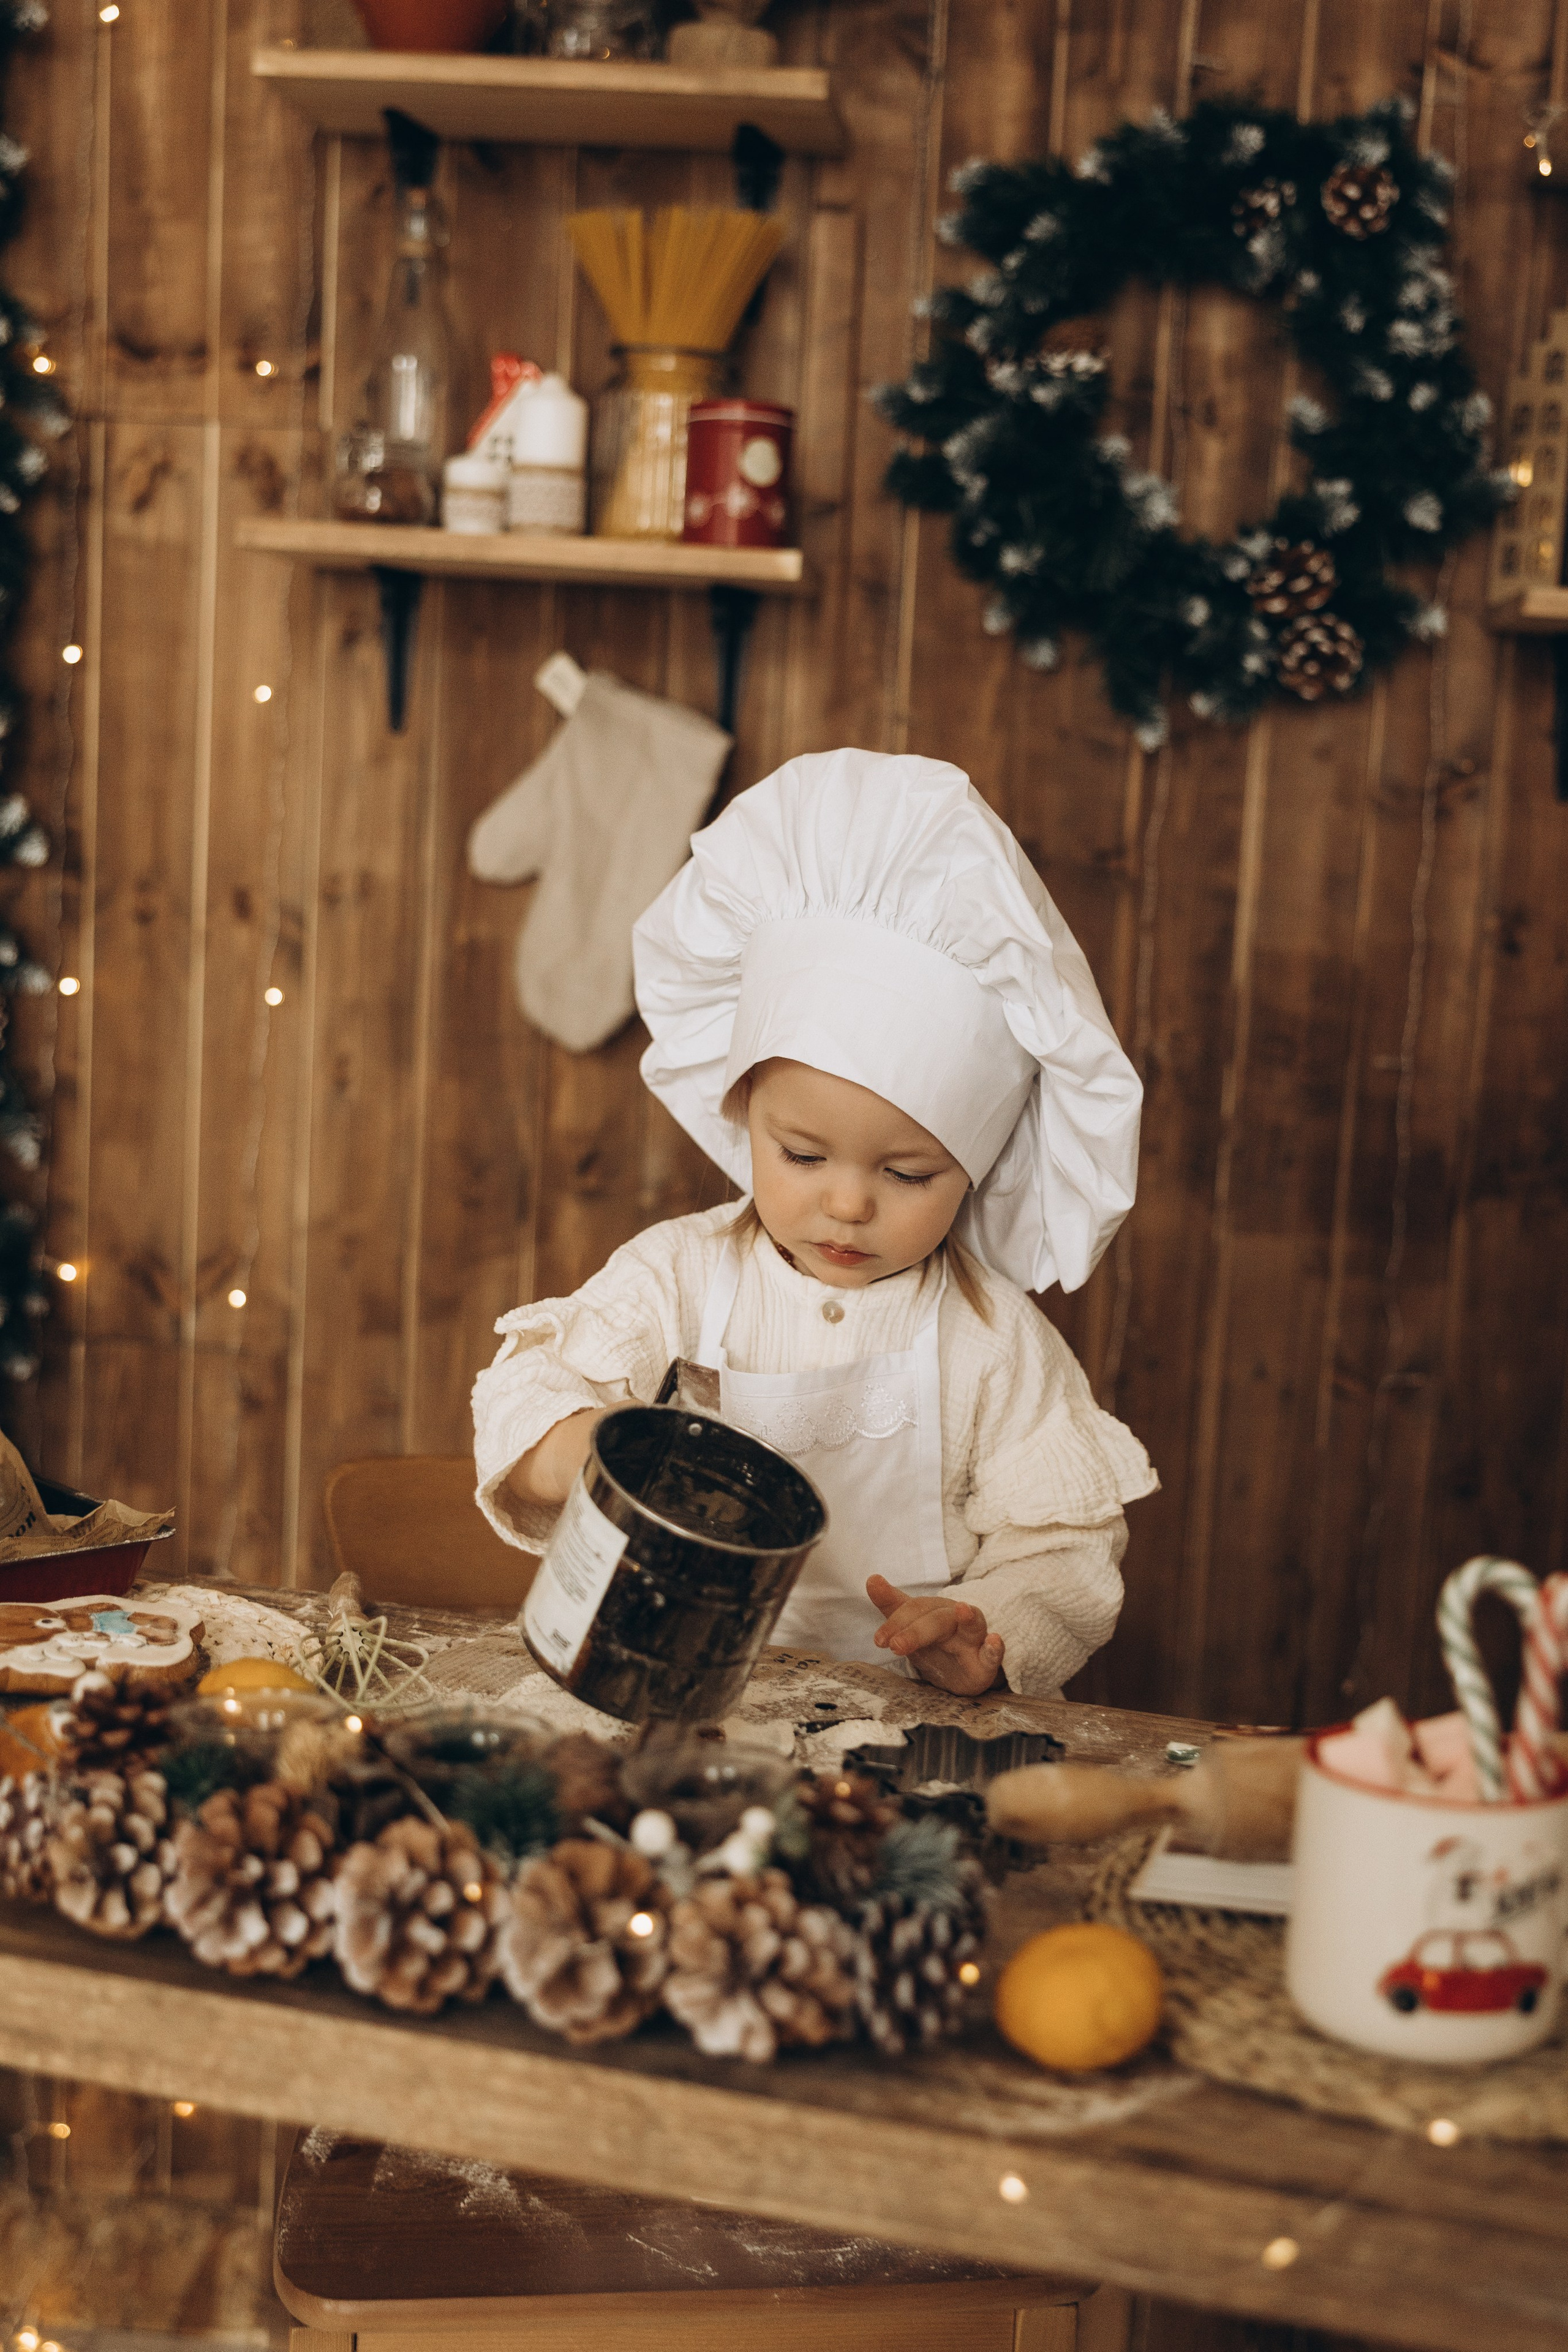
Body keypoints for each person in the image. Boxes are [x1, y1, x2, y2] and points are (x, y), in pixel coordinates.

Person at [472, 749, 1156, 1698]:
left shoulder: (993, 1342)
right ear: (744, 1109)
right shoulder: (681, 1275)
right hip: (655, 1691)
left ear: (980, 1166)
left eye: (909, 1172)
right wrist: (581, 1444)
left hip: (896, 1728)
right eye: (802, 1156)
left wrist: (984, 1630)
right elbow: (526, 1392)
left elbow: (1064, 1551)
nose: (847, 1204)